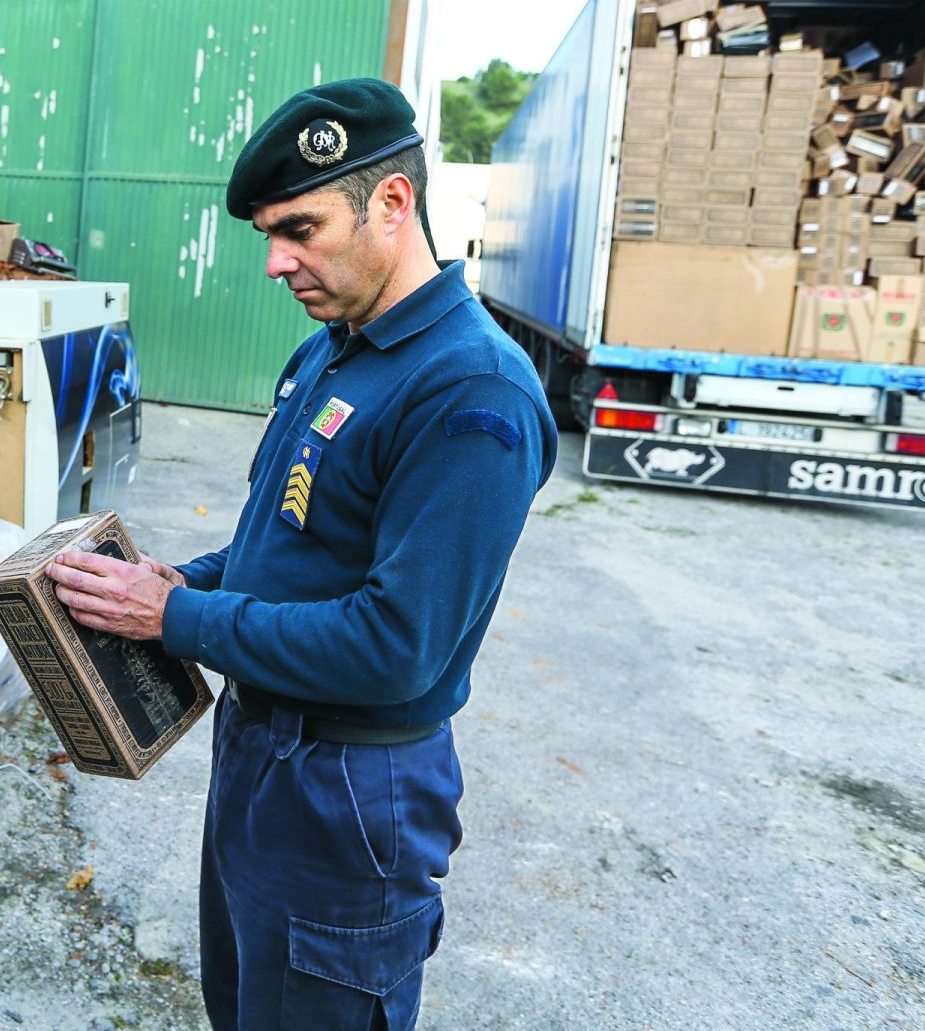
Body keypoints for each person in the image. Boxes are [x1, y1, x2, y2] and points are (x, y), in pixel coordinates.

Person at [44, 77, 556, 1030]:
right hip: (262, 750)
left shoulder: (470, 391)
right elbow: (286, 538)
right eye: (267, 237)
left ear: (393, 204)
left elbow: (398, 646)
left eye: (301, 229)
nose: (278, 263)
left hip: (351, 790)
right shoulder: (337, 346)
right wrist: (180, 579)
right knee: (244, 1007)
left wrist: (176, 618)